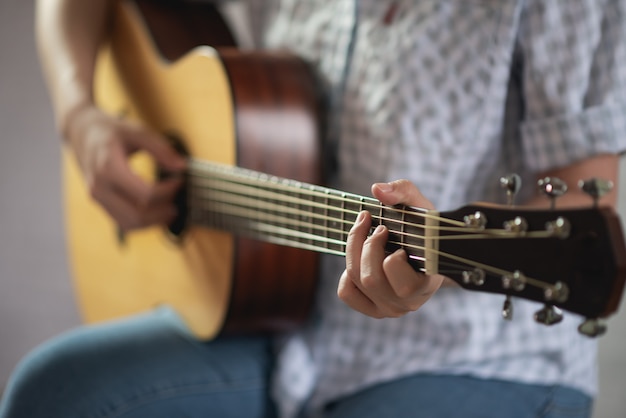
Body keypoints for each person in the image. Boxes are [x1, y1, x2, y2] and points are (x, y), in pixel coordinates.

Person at [2, 0, 625, 417]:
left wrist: (426, 262)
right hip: (274, 317)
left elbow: (578, 196)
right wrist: (80, 116)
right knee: (52, 392)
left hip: (478, 357)